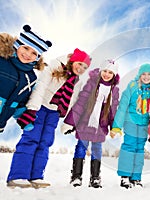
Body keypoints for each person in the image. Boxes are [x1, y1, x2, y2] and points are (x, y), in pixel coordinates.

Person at [6, 48, 91, 188]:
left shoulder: (77, 82)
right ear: (73, 59)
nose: (81, 68)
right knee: (31, 138)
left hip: (54, 113)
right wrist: (32, 108)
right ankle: (18, 175)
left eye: (85, 67)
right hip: (40, 107)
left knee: (45, 142)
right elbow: (41, 86)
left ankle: (36, 176)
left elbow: (72, 103)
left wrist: (69, 123)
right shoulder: (56, 66)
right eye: (80, 63)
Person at [61, 59, 119, 188]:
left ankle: (95, 178)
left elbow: (113, 111)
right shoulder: (91, 84)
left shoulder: (114, 91)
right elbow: (80, 104)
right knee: (81, 148)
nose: (107, 74)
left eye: (110, 72)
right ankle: (76, 176)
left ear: (114, 75)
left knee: (97, 150)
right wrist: (70, 122)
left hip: (100, 126)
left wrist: (115, 127)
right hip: (85, 123)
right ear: (100, 71)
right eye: (105, 71)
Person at [110, 63, 150, 189]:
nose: (146, 77)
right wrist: (117, 126)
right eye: (144, 74)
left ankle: (136, 177)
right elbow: (122, 107)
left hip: (144, 124)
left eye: (149, 74)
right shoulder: (132, 86)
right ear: (139, 75)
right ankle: (125, 177)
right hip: (131, 120)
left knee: (140, 149)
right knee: (129, 147)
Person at [0, 24, 51, 133]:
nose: (28, 54)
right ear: (17, 45)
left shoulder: (31, 78)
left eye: (34, 53)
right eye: (26, 48)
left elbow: (21, 101)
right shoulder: (2, 61)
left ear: (37, 58)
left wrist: (24, 118)